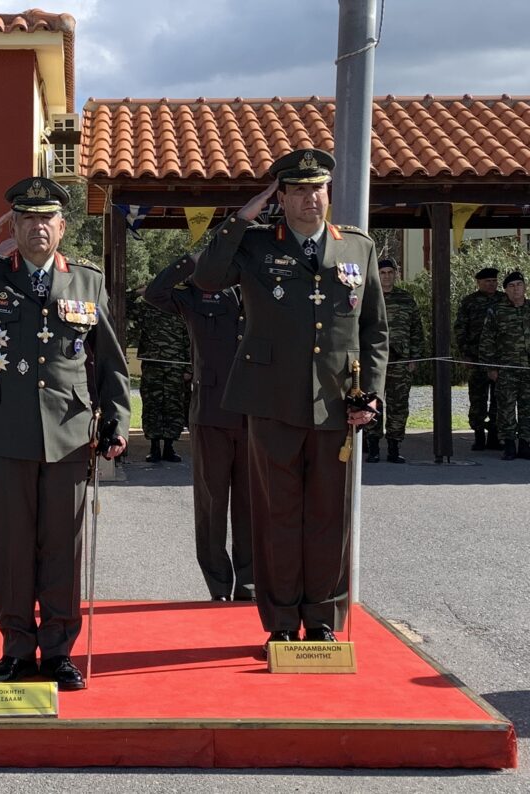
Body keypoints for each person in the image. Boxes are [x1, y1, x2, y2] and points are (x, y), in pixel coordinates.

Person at [0, 177, 130, 690]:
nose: (38, 227)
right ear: (13, 226)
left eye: (46, 218)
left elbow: (109, 360)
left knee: (62, 547)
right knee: (12, 545)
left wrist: (117, 421)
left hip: (69, 432)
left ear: (62, 226)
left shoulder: (86, 280)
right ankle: (15, 648)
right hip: (3, 430)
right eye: (27, 218)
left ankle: (57, 651)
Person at [193, 148, 388, 654]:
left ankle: (322, 618)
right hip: (271, 400)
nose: (309, 198)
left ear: (328, 193)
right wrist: (241, 218)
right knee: (276, 514)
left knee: (329, 516)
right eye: (298, 190)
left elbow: (374, 330)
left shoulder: (357, 247)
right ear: (280, 198)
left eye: (317, 189)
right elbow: (207, 277)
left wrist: (371, 393)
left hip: (336, 402)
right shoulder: (255, 245)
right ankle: (281, 621)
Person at [145, 256, 252, 602]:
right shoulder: (197, 293)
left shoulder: (263, 286)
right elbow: (155, 293)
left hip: (255, 414)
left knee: (252, 505)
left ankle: (250, 584)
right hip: (210, 414)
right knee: (211, 505)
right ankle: (218, 586)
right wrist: (195, 261)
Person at [366, 258, 424, 464]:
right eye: (383, 272)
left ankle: (394, 447)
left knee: (398, 406)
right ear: (377, 274)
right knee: (373, 403)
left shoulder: (406, 299)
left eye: (390, 272)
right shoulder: (369, 297)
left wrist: (414, 357)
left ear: (396, 274)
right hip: (374, 362)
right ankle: (373, 447)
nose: (387, 276)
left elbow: (416, 330)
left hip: (400, 361)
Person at [132, 287, 192, 462]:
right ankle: (154, 447)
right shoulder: (147, 309)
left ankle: (169, 447)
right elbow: (123, 306)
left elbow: (189, 340)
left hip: (176, 367)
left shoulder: (180, 310)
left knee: (174, 407)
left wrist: (189, 369)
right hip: (153, 366)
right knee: (152, 406)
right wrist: (138, 292)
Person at [479, 271, 530, 461]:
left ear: (525, 287)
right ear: (506, 290)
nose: (516, 289)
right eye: (511, 286)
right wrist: (491, 367)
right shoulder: (497, 311)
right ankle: (509, 445)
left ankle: (525, 444)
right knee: (506, 408)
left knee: (528, 408)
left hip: (528, 369)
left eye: (519, 285)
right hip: (506, 369)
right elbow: (487, 341)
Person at [455, 267, 505, 450]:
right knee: (477, 399)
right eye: (487, 281)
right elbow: (461, 329)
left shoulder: (503, 300)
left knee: (499, 399)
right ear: (479, 283)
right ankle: (478, 436)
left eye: (494, 281)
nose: (491, 284)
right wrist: (465, 355)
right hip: (476, 358)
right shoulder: (470, 302)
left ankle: (494, 436)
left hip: (499, 359)